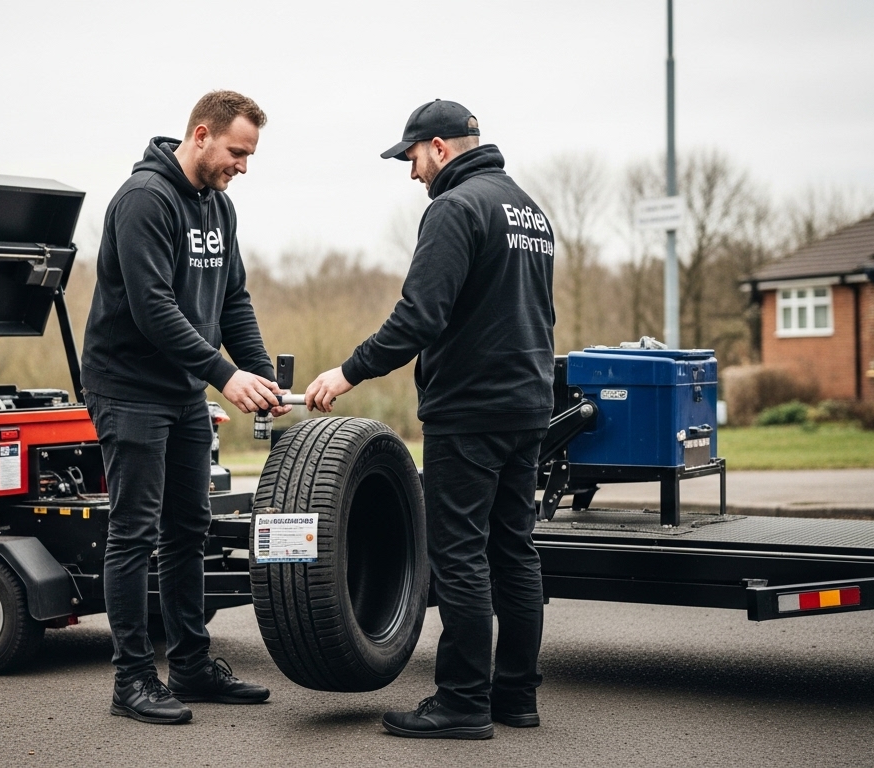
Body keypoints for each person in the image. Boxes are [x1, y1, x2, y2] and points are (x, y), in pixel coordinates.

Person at [305, 100, 557, 740]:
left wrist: (347, 372)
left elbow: (419, 317)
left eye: (412, 157)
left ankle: (463, 703)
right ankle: (516, 697)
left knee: (462, 557)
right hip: (528, 403)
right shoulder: (529, 209)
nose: (411, 172)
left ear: (440, 147)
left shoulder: (454, 208)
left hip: (471, 409)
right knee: (514, 551)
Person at [81, 90, 289, 725]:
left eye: (250, 155)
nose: (243, 167)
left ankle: (192, 666)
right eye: (237, 152)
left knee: (188, 529)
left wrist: (255, 369)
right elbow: (152, 309)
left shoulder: (218, 207)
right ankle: (133, 681)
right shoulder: (145, 200)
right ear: (201, 134)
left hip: (180, 390)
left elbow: (232, 299)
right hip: (128, 386)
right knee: (135, 532)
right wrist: (224, 375)